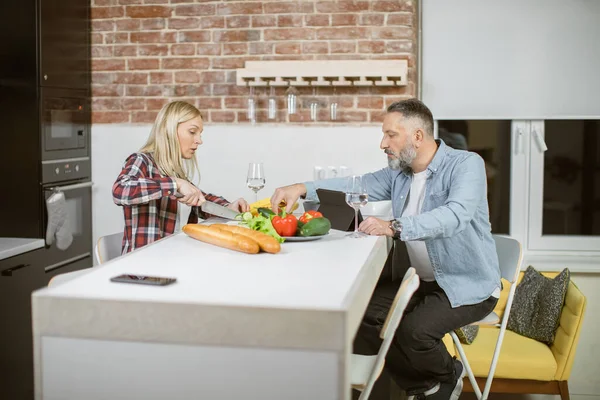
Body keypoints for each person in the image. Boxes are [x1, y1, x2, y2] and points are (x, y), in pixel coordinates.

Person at [270, 98, 501, 400]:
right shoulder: (400, 173)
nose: (383, 142)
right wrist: (300, 188)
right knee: (362, 314)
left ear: (418, 136)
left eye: (391, 134)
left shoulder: (466, 164)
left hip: (467, 283)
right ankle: (421, 386)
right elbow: (357, 184)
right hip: (422, 281)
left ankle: (445, 377)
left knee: (414, 332)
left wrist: (394, 226)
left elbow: (456, 215)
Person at [112, 101, 249, 254]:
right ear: (169, 130)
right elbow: (120, 191)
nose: (199, 140)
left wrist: (227, 207)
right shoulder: (142, 161)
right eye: (192, 132)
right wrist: (175, 184)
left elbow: (200, 199)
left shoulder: (174, 173)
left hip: (176, 261)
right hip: (145, 269)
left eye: (200, 134)